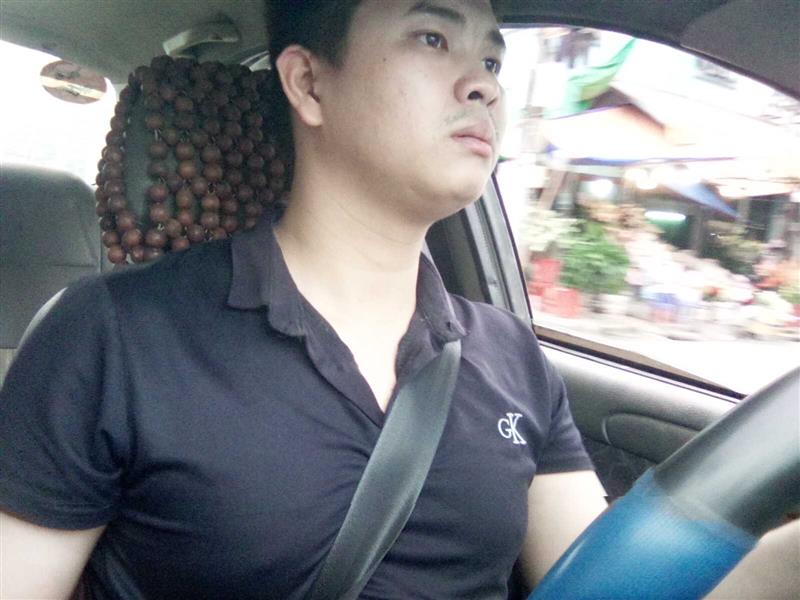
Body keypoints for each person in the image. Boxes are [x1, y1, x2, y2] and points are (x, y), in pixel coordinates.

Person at [0, 1, 608, 598]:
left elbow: (607, 581)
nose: (485, 87)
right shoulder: (111, 336)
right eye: (432, 38)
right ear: (309, 84)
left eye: (493, 62)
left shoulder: (516, 358)